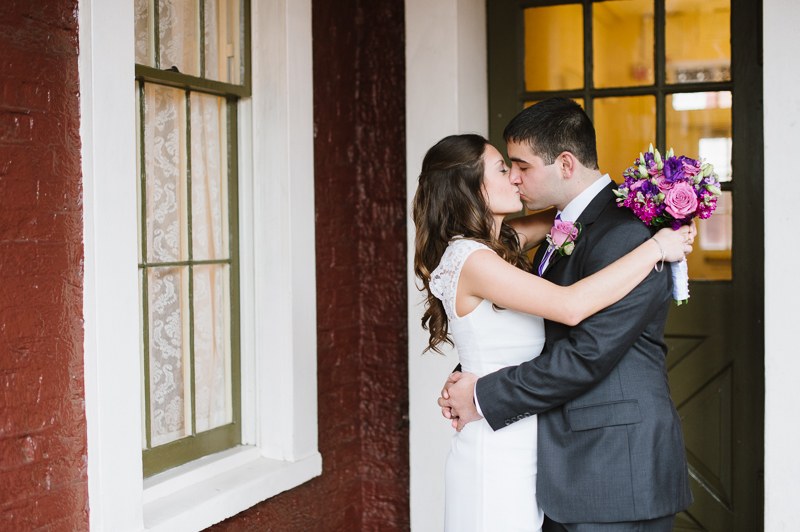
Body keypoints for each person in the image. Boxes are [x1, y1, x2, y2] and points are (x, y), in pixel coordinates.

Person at [414, 123, 693, 531]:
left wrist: (651, 201)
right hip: (498, 445)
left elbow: (568, 214)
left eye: (518, 165)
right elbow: (569, 305)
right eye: (501, 169)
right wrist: (657, 247)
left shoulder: (502, 240)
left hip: (534, 443)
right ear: (470, 190)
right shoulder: (473, 258)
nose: (514, 175)